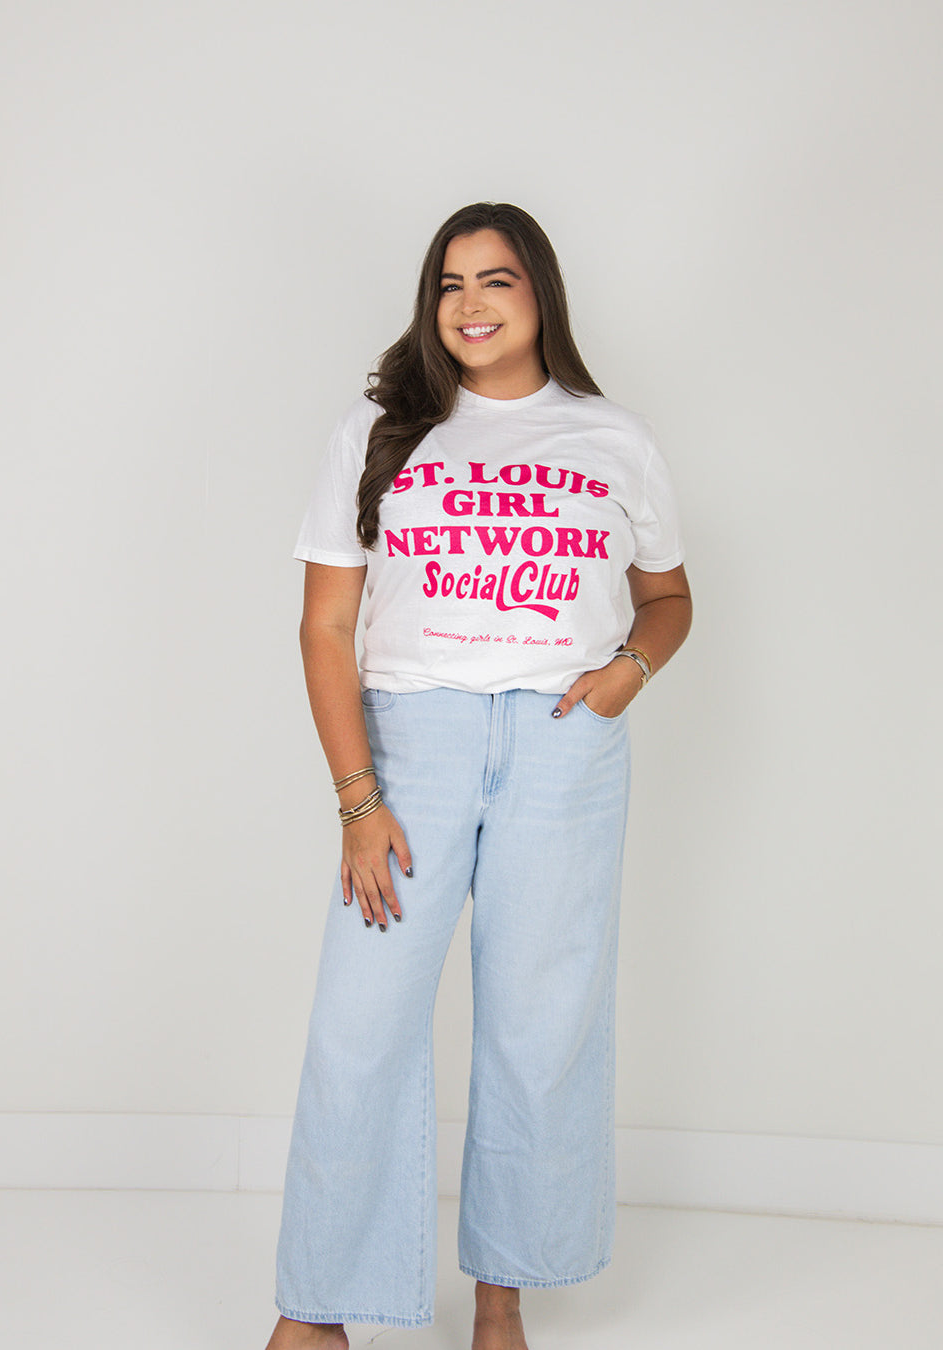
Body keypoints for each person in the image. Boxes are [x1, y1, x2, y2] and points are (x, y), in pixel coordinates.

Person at [264, 202, 692, 1350]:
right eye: (450, 284)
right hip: (415, 744)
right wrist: (359, 800)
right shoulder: (382, 430)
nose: (470, 305)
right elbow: (324, 627)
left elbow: (669, 595)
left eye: (496, 281)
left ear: (540, 293)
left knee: (538, 1021)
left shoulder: (614, 438)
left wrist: (628, 674)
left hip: (566, 743)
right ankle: (316, 1311)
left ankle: (501, 1300)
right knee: (362, 1023)